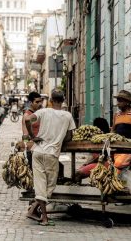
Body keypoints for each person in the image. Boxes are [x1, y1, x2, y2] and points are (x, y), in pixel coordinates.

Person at [25, 89, 76, 226]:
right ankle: (44, 218)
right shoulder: (67, 116)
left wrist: (32, 137)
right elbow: (70, 136)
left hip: (37, 151)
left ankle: (34, 211)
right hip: (52, 154)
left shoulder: (43, 111)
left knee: (40, 185)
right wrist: (59, 139)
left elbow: (27, 119)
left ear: (51, 101)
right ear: (63, 100)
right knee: (49, 187)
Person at [74, 117, 110, 183]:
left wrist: (87, 164)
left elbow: (99, 158)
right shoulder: (96, 138)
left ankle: (76, 189)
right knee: (76, 172)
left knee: (77, 174)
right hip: (97, 163)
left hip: (103, 164)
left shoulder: (104, 140)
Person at [22, 92, 42, 168]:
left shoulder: (41, 112)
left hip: (43, 148)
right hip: (33, 149)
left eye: (41, 101)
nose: (40, 104)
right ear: (30, 102)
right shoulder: (27, 116)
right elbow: (25, 134)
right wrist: (27, 150)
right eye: (37, 102)